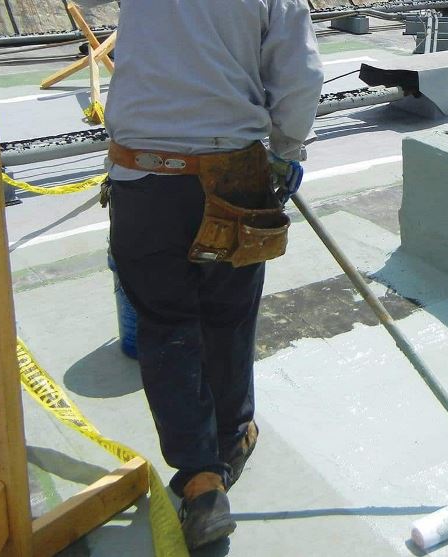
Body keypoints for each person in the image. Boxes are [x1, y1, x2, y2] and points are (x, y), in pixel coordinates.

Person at [103, 0, 322, 550]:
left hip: (141, 176)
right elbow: (300, 78)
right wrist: (288, 150)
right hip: (231, 178)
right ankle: (230, 438)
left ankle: (201, 482)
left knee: (165, 325)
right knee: (226, 315)